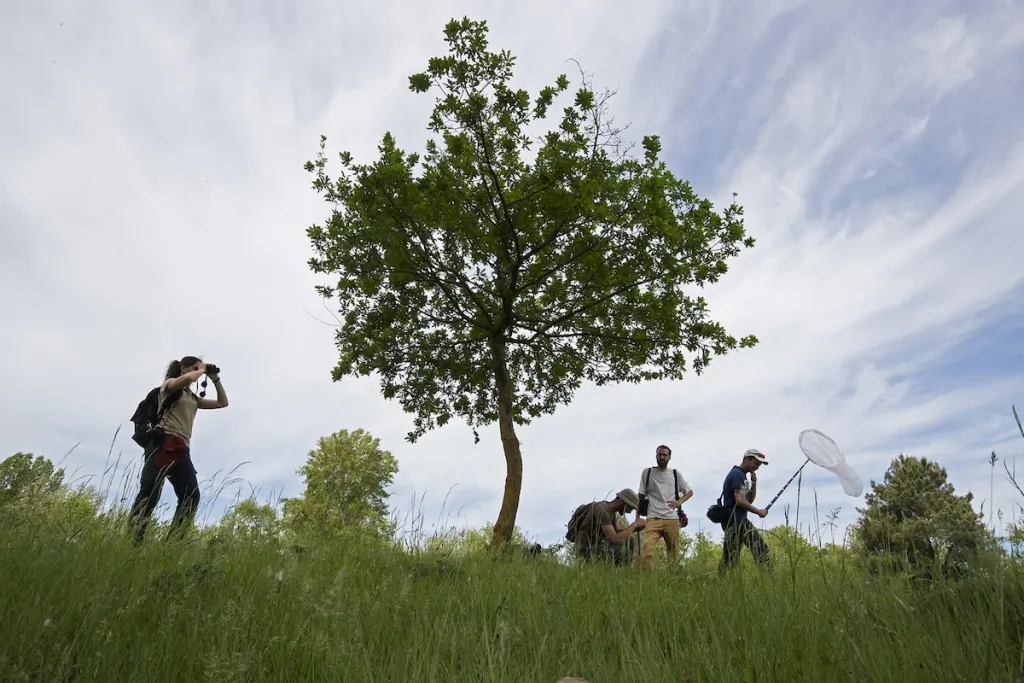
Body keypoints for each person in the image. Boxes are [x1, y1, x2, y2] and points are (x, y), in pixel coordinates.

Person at [128, 357, 228, 545]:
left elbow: (223, 403)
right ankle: (133, 541)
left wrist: (215, 379)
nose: (198, 371)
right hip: (162, 442)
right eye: (193, 367)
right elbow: (188, 380)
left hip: (182, 448)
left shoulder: (192, 397)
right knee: (150, 491)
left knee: (191, 496)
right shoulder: (169, 386)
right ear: (183, 368)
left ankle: (172, 543)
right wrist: (201, 369)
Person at [637, 444, 693, 569]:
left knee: (674, 554)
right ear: (656, 456)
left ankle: (673, 579)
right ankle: (647, 580)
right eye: (659, 454)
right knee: (646, 549)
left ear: (669, 457)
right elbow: (640, 496)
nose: (662, 457)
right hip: (653, 518)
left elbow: (689, 492)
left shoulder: (674, 474)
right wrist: (637, 517)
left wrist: (678, 502)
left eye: (664, 455)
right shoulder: (647, 473)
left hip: (672, 519)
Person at [719, 448, 771, 570]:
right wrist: (758, 511)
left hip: (733, 520)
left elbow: (748, 500)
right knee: (761, 549)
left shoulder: (743, 476)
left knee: (730, 557)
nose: (757, 467)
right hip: (737, 520)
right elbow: (739, 500)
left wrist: (754, 484)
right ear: (747, 459)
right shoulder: (738, 474)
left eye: (759, 465)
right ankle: (768, 578)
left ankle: (722, 582)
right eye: (756, 463)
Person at [570, 489, 646, 566]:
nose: (629, 512)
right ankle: (619, 573)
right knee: (624, 552)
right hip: (587, 550)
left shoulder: (611, 511)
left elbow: (618, 532)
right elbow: (615, 539)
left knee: (629, 540)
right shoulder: (602, 509)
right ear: (622, 502)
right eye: (630, 508)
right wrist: (634, 525)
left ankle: (620, 572)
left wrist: (634, 529)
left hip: (598, 547)